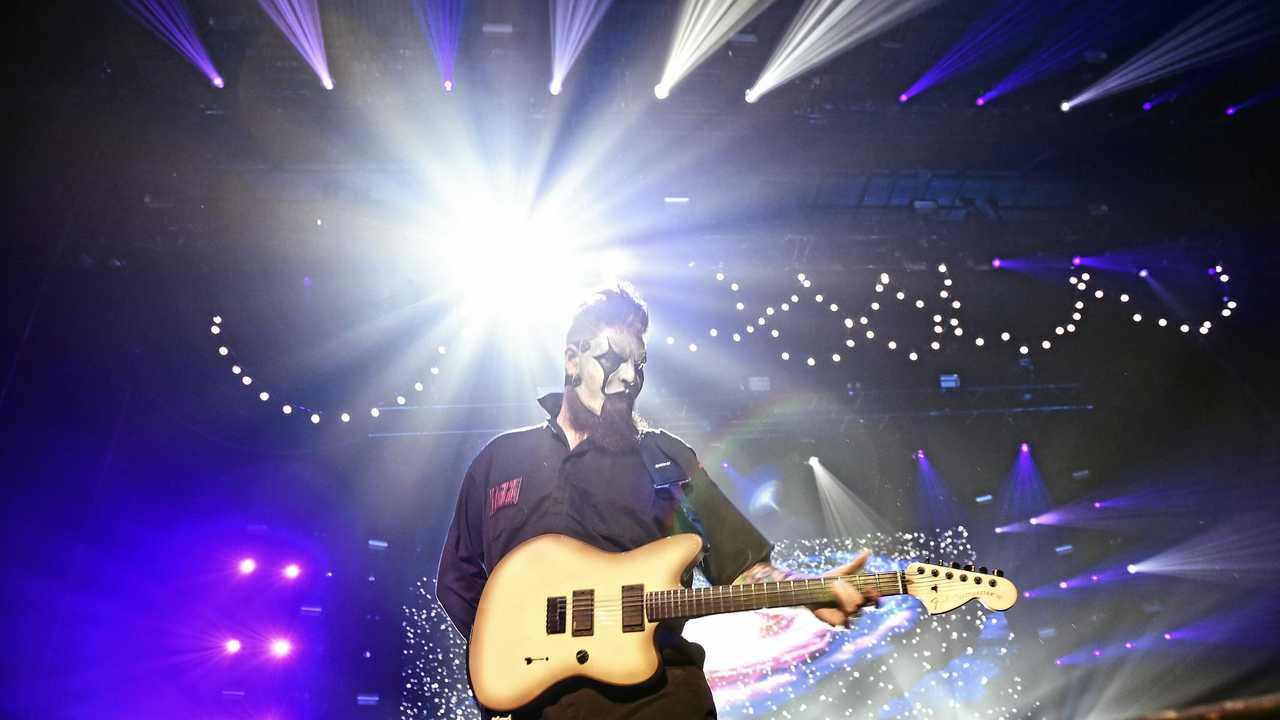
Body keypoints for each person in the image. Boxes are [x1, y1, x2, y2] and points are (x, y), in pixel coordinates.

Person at [436, 283, 876, 719]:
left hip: (659, 700)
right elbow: (458, 579)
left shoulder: (667, 459)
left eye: (638, 364)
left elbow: (743, 566)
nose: (629, 377)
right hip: (534, 708)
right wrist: (502, 659)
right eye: (613, 359)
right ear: (572, 360)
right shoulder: (498, 461)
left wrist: (807, 591)